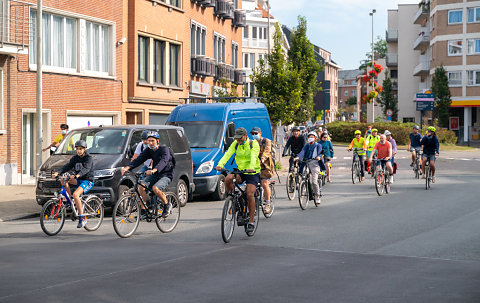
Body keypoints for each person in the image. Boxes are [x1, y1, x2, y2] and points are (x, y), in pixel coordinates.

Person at [215, 127, 260, 234]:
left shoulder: (253, 144)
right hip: (241, 171)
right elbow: (227, 154)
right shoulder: (235, 144)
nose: (238, 140)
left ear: (245, 136)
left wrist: (251, 167)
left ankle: (251, 221)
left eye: (240, 138)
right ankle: (232, 198)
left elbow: (254, 156)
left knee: (249, 194)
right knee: (228, 178)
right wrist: (220, 165)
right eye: (237, 138)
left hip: (252, 171)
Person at [121, 131, 175, 218]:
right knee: (141, 186)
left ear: (157, 141)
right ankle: (144, 210)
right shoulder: (149, 150)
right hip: (155, 174)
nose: (150, 143)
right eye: (148, 141)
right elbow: (138, 159)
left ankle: (167, 204)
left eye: (152, 141)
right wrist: (126, 168)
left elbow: (164, 161)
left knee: (155, 188)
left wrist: (154, 170)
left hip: (166, 174)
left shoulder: (164, 149)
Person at [52, 140, 94, 228]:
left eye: (81, 149)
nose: (78, 151)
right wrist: (57, 172)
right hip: (77, 179)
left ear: (85, 149)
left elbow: (86, 169)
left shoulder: (88, 158)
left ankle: (82, 218)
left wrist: (77, 175)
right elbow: (67, 166)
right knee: (63, 181)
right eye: (77, 149)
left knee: (76, 194)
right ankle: (70, 200)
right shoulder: (75, 158)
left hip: (87, 181)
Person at [295, 131, 324, 202]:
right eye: (309, 137)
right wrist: (298, 157)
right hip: (307, 163)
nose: (310, 138)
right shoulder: (307, 145)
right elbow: (302, 152)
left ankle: (317, 196)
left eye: (312, 137)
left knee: (314, 181)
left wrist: (319, 157)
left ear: (315, 138)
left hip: (315, 164)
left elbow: (320, 153)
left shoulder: (318, 145)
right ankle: (304, 185)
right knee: (304, 175)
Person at [251, 127, 274, 214]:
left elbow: (267, 151)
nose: (254, 135)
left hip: (265, 167)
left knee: (264, 184)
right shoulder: (251, 143)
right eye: (252, 134)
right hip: (254, 166)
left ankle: (267, 204)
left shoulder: (266, 141)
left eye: (255, 133)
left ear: (260, 133)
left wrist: (263, 158)